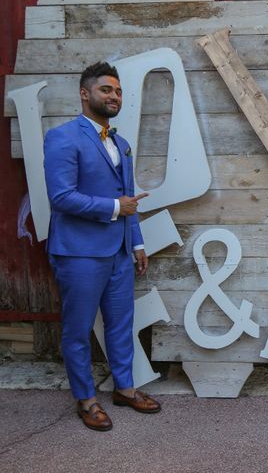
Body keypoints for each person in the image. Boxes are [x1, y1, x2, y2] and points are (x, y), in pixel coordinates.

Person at [44, 61, 161, 432]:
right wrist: (114, 209)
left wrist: (138, 242)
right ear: (85, 93)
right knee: (77, 329)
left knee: (121, 325)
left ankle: (124, 388)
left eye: (118, 91)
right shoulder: (62, 137)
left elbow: (128, 198)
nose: (114, 96)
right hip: (79, 253)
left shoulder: (121, 144)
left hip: (120, 252)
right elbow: (61, 197)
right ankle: (86, 399)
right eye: (106, 90)